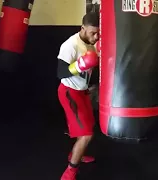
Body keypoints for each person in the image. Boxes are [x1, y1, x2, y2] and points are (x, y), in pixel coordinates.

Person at [56, 12, 100, 180]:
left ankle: (75, 154)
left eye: (98, 33)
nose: (96, 37)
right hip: (69, 92)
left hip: (82, 91)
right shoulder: (70, 45)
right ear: (83, 28)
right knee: (86, 134)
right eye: (92, 33)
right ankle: (69, 172)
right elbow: (60, 73)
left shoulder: (91, 42)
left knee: (89, 127)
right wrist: (80, 65)